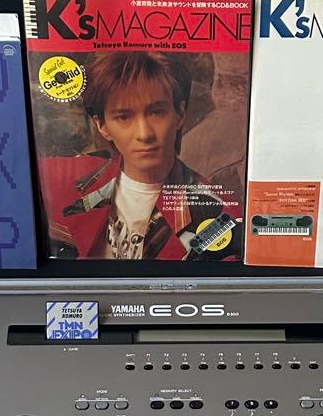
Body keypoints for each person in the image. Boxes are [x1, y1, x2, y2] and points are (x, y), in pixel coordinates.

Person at [37, 50, 233, 260]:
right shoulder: (59, 176)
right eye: (123, 117)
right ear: (101, 125)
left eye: (156, 112)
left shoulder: (216, 212)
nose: (144, 134)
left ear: (180, 114)